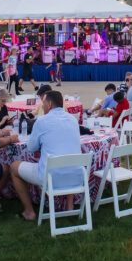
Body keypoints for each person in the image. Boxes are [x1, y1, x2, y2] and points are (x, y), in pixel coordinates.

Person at [9, 90, 81, 221]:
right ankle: (69, 207)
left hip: (51, 176)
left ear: (49, 104)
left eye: (43, 103)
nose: (42, 106)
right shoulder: (73, 119)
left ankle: (29, 212)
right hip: (76, 175)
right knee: (68, 159)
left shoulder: (42, 121)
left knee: (14, 167)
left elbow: (31, 148)